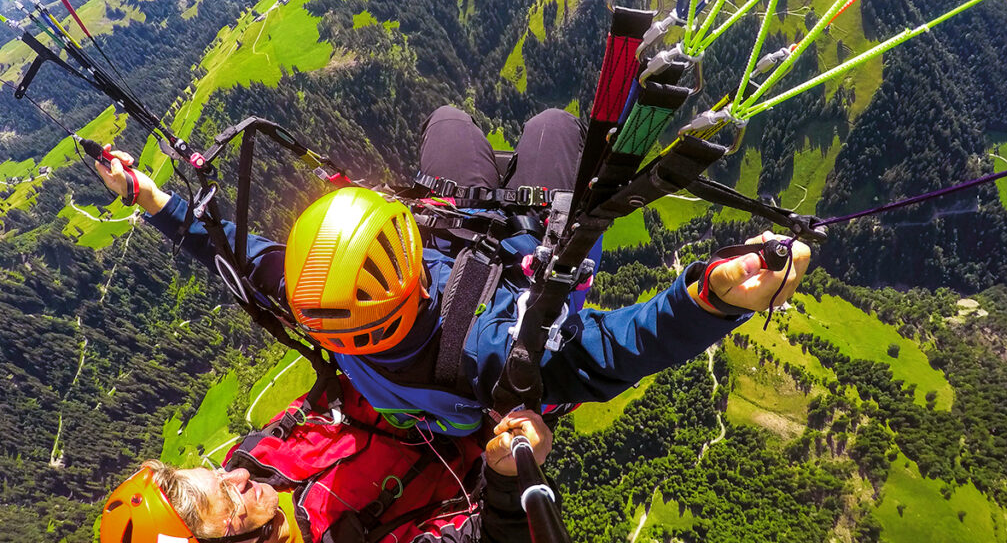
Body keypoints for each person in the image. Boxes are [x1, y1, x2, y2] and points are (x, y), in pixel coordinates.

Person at [98, 106, 810, 435]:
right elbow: (615, 351)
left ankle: (494, 173)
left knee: (446, 123)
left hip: (462, 234)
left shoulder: (316, 298)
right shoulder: (495, 359)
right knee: (554, 130)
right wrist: (710, 299)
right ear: (414, 276)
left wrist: (152, 199)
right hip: (531, 262)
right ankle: (540, 157)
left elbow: (235, 251)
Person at [99, 377, 554, 543]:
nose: (239, 473)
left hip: (434, 380)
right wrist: (504, 475)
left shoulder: (255, 457)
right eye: (231, 496)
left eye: (220, 471)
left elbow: (333, 394)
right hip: (494, 439)